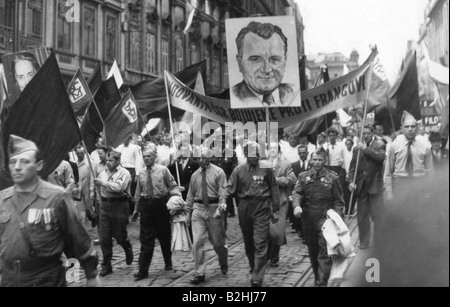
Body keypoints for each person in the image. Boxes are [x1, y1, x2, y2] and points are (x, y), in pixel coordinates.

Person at [0, 135, 99, 287]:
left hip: (46, 278)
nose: (17, 166)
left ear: (38, 165)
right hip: (11, 279)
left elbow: (78, 239)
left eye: (25, 161)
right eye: (13, 162)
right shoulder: (3, 199)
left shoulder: (56, 197)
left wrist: (91, 275)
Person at [222, 143, 280, 287]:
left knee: (260, 241)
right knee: (249, 242)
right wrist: (223, 200)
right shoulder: (238, 170)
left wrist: (276, 208)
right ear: (247, 153)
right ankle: (253, 265)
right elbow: (229, 188)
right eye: (255, 153)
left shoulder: (266, 168)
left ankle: (257, 277)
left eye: (259, 153)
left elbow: (273, 186)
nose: (258, 156)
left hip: (262, 207)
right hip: (245, 207)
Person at [292, 148, 345, 287]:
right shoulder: (303, 176)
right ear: (311, 160)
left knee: (324, 251)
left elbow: (338, 201)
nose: (317, 162)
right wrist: (296, 206)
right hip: (308, 217)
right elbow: (297, 193)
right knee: (313, 250)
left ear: (325, 161)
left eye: (320, 160)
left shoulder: (332, 177)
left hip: (325, 217)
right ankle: (318, 276)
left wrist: (336, 218)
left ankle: (322, 281)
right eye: (314, 159)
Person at [132, 145, 181, 281]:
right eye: (144, 156)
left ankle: (168, 261)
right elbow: (137, 193)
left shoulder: (163, 170)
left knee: (164, 235)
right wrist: (136, 209)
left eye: (149, 156)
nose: (146, 158)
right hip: (146, 206)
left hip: (160, 205)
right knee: (146, 238)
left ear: (155, 157)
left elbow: (173, 186)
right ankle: (143, 270)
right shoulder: (141, 173)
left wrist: (176, 202)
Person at [185, 147, 228, 285]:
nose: (201, 161)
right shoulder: (195, 175)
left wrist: (222, 204)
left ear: (209, 158)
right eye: (198, 158)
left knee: (217, 242)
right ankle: (199, 273)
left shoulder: (218, 172)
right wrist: (187, 212)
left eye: (203, 158)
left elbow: (223, 190)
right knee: (197, 241)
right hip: (198, 209)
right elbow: (190, 195)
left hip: (214, 208)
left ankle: (223, 258)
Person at [231, 21, 296, 108]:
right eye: (255, 60)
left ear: (285, 62)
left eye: (275, 59)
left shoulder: (296, 94)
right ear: (239, 63)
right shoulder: (228, 98)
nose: (267, 69)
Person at [93, 149, 134, 277]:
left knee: (119, 235)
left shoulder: (124, 173)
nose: (108, 163)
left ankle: (126, 247)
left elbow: (119, 188)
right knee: (104, 237)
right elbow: (98, 190)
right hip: (105, 206)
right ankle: (106, 264)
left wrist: (103, 183)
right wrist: (100, 201)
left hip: (119, 205)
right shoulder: (102, 174)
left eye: (111, 161)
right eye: (107, 161)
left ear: (118, 161)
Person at [348, 126, 386, 249]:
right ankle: (364, 241)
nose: (366, 136)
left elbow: (380, 158)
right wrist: (351, 181)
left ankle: (379, 241)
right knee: (362, 216)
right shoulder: (356, 148)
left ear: (372, 133)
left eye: (368, 133)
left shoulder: (379, 144)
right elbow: (352, 167)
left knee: (377, 215)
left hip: (375, 185)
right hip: (361, 186)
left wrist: (366, 149)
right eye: (363, 134)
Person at [384, 111, 434, 206]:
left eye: (413, 126)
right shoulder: (394, 146)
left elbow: (430, 172)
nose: (410, 129)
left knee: (419, 216)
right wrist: (389, 192)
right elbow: (388, 172)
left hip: (419, 185)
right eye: (407, 127)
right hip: (400, 185)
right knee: (402, 217)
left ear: (417, 128)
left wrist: (428, 191)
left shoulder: (425, 147)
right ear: (402, 129)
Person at [268, 143, 296, 267]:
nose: (272, 150)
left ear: (279, 151)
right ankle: (268, 255)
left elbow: (292, 179)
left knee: (277, 231)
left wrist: (279, 180)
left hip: (281, 201)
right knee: (266, 230)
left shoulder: (285, 164)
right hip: (265, 201)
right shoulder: (263, 163)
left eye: (274, 148)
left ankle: (274, 257)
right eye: (270, 148)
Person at [116, 136, 144, 215]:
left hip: (131, 170)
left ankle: (131, 210)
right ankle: (123, 209)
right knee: (121, 189)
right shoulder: (119, 148)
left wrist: (137, 174)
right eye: (123, 138)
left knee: (131, 190)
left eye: (126, 138)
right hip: (121, 170)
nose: (125, 140)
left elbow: (138, 160)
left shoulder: (134, 148)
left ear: (129, 139)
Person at [74, 145, 92, 221]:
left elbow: (92, 177)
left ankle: (90, 216)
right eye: (78, 153)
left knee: (88, 202)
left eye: (81, 153)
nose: (79, 155)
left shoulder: (89, 163)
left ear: (84, 153)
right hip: (79, 185)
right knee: (79, 203)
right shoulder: (75, 163)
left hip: (86, 185)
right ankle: (83, 218)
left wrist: (91, 188)